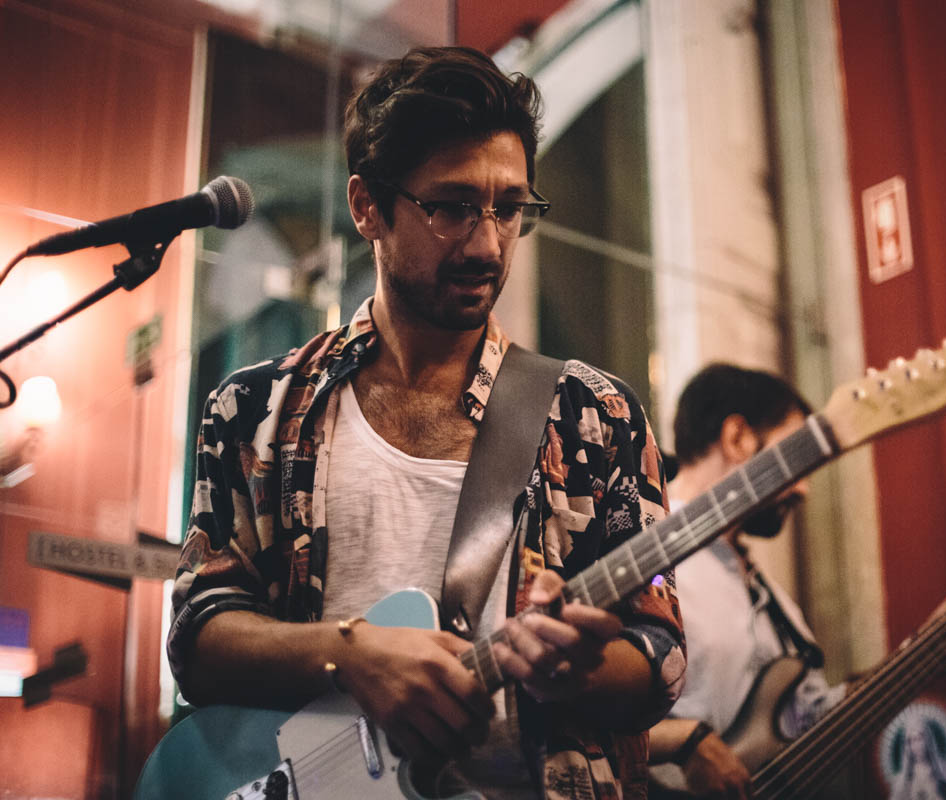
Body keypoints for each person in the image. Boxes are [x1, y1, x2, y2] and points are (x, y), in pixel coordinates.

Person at [168, 46, 685, 800]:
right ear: (366, 205)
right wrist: (352, 654)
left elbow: (660, 655)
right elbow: (199, 636)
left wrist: (581, 665)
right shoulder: (253, 411)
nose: (487, 244)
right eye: (450, 207)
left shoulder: (595, 416)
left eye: (510, 208)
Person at [647, 364, 946, 799]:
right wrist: (685, 742)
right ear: (737, 437)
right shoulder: (648, 554)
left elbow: (812, 718)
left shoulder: (767, 594)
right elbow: (577, 713)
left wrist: (925, 647)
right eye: (798, 457)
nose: (804, 489)